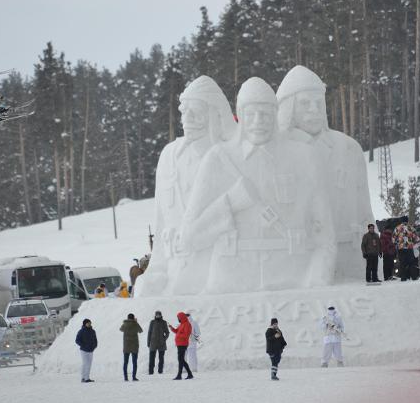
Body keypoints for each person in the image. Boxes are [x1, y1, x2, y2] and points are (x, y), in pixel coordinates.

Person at [180, 77, 334, 293]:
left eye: (265, 114)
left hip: (291, 277)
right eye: (251, 114)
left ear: (275, 115)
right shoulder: (218, 158)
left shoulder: (304, 157)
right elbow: (188, 238)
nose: (258, 121)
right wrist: (229, 203)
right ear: (240, 116)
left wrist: (318, 280)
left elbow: (325, 235)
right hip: (228, 282)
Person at [137, 75, 237, 298]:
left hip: (215, 271)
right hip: (174, 268)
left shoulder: (229, 156)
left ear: (212, 114)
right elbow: (162, 221)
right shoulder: (169, 156)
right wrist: (156, 271)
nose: (188, 118)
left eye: (196, 111)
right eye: (185, 111)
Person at [277, 65, 374, 282]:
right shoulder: (275, 152)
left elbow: (364, 208)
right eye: (305, 103)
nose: (314, 109)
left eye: (318, 103)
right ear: (289, 108)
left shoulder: (349, 148)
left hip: (350, 257)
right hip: (296, 261)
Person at [168, 312, 193, 380]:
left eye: (179, 317)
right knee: (181, 360)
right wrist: (172, 328)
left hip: (183, 344)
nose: (178, 319)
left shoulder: (187, 324)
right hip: (179, 344)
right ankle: (189, 374)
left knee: (180, 360)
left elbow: (186, 335)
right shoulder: (181, 324)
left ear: (182, 317)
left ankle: (179, 375)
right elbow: (177, 331)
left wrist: (178, 335)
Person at [120, 313, 143, 381]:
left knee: (125, 362)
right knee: (134, 362)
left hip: (126, 346)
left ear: (127, 318)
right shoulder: (135, 324)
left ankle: (126, 377)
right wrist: (136, 322)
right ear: (133, 318)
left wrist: (125, 322)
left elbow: (121, 329)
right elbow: (140, 331)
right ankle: (134, 377)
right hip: (134, 346)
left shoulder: (125, 324)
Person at [148, 310, 169, 374]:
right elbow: (149, 332)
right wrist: (148, 342)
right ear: (155, 315)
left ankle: (160, 371)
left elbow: (167, 332)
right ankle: (151, 371)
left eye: (159, 315)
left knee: (161, 359)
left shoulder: (164, 322)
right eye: (157, 315)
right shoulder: (152, 322)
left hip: (161, 344)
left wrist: (164, 339)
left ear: (161, 315)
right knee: (151, 358)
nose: (158, 316)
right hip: (153, 343)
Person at [75, 318, 97, 383]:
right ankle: (83, 378)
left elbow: (95, 339)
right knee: (85, 363)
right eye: (88, 323)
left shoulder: (93, 331)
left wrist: (94, 346)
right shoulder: (81, 331)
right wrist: (83, 345)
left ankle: (87, 378)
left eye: (90, 323)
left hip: (91, 350)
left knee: (89, 364)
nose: (90, 324)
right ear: (85, 324)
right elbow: (77, 340)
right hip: (84, 350)